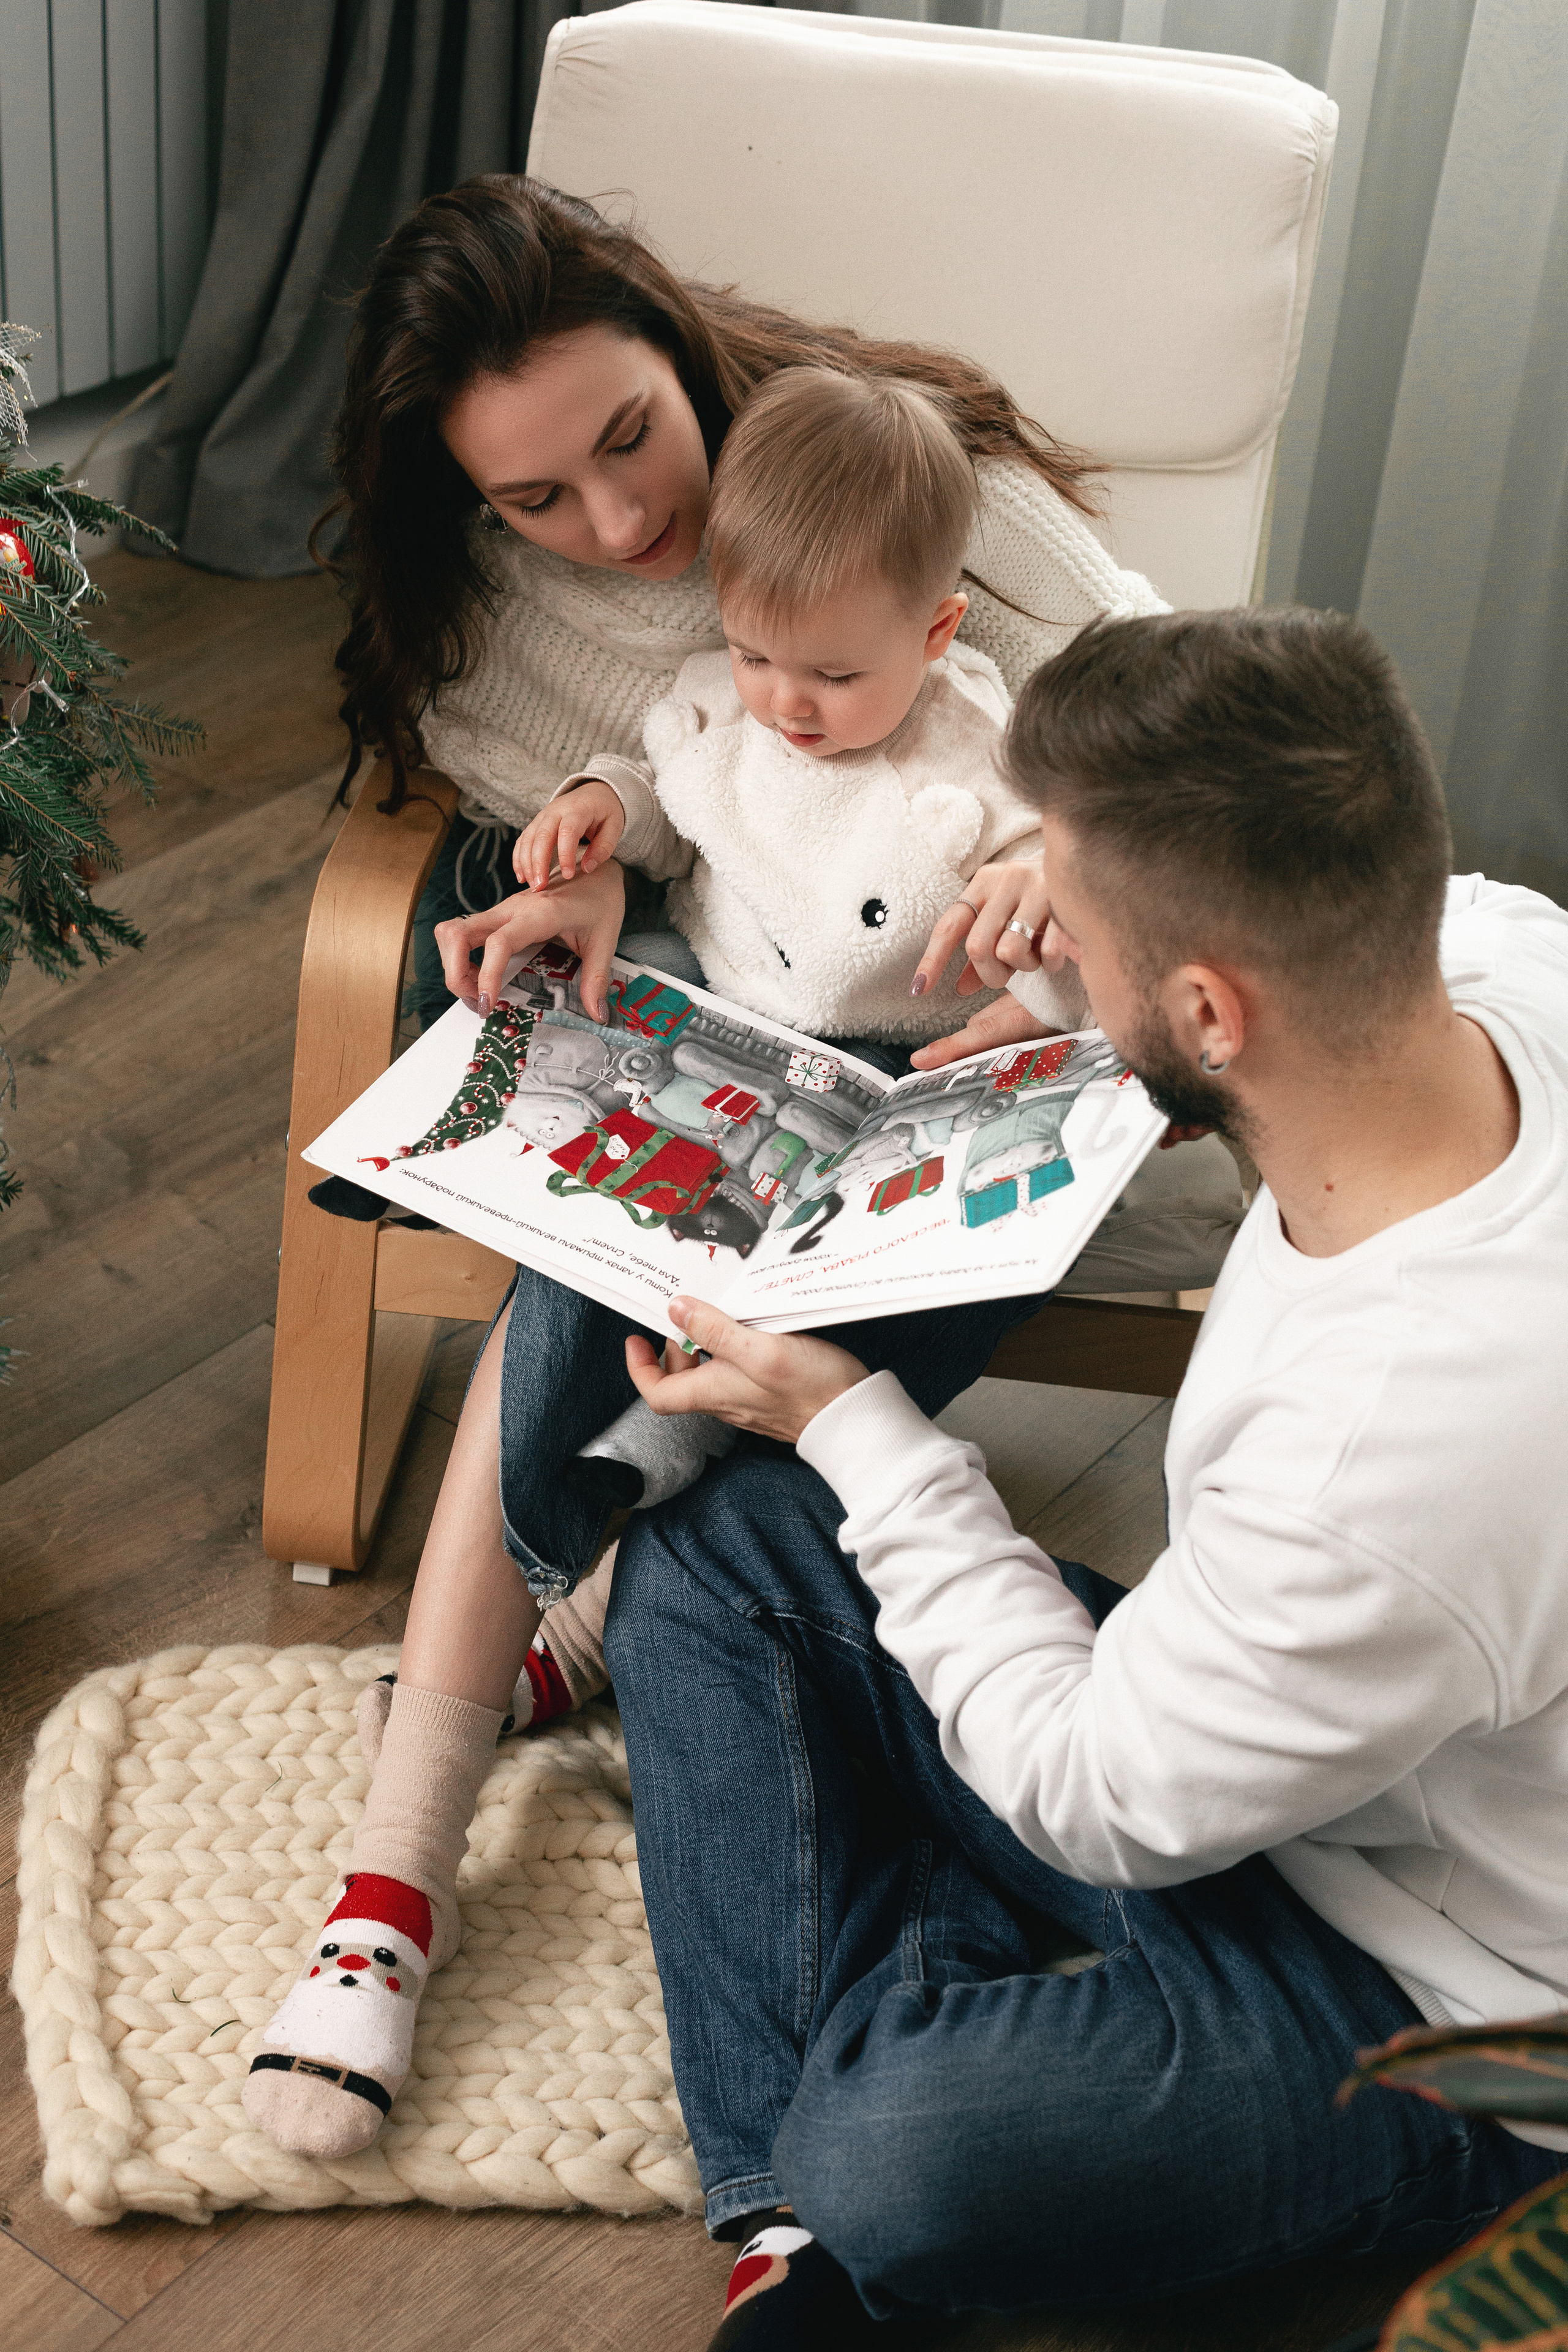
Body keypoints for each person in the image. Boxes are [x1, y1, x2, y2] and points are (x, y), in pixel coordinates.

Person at [242, 173, 1242, 2163]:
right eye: (536, 500)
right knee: (607, 1199)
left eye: (631, 439)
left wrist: (1077, 843)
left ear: (674, 341)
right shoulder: (496, 627)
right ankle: (393, 1889)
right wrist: (586, 887)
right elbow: (679, 803)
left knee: (675, 1266)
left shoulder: (882, 469)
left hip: (1008, 1024)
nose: (617, 526)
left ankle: (510, 1723)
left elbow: (1197, 704)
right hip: (732, 1007)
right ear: (464, 503)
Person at [601, 607, 1568, 2347]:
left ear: (1209, 1006)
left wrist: (852, 1421)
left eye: (1077, 912)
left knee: (899, 2151)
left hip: (1454, 2004)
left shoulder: (1398, 1451)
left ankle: (806, 2197)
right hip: (1306, 1734)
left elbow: (1090, 1788)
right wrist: (1068, 948)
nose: (1036, 913)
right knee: (715, 1544)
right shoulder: (1497, 965)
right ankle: (793, 2233)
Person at [500, 363, 1087, 1520]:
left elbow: (1054, 886)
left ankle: (704, 1443)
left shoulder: (979, 748)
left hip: (895, 1061)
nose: (788, 706)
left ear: (936, 630)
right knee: (578, 1063)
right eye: (758, 654)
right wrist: (604, 804)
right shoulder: (724, 699)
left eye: (834, 674)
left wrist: (1033, 879)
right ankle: (541, 1403)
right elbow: (678, 802)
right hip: (725, 1020)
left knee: (898, 1275)